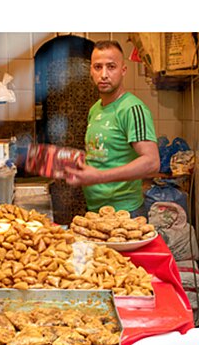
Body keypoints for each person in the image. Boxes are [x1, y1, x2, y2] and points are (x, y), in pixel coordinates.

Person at [63, 40, 160, 219]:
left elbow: (152, 162)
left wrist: (99, 176)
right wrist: (79, 167)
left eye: (111, 67)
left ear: (123, 70)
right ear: (90, 71)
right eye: (98, 67)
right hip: (95, 211)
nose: (104, 74)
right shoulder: (95, 109)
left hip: (125, 213)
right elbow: (105, 155)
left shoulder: (132, 109)